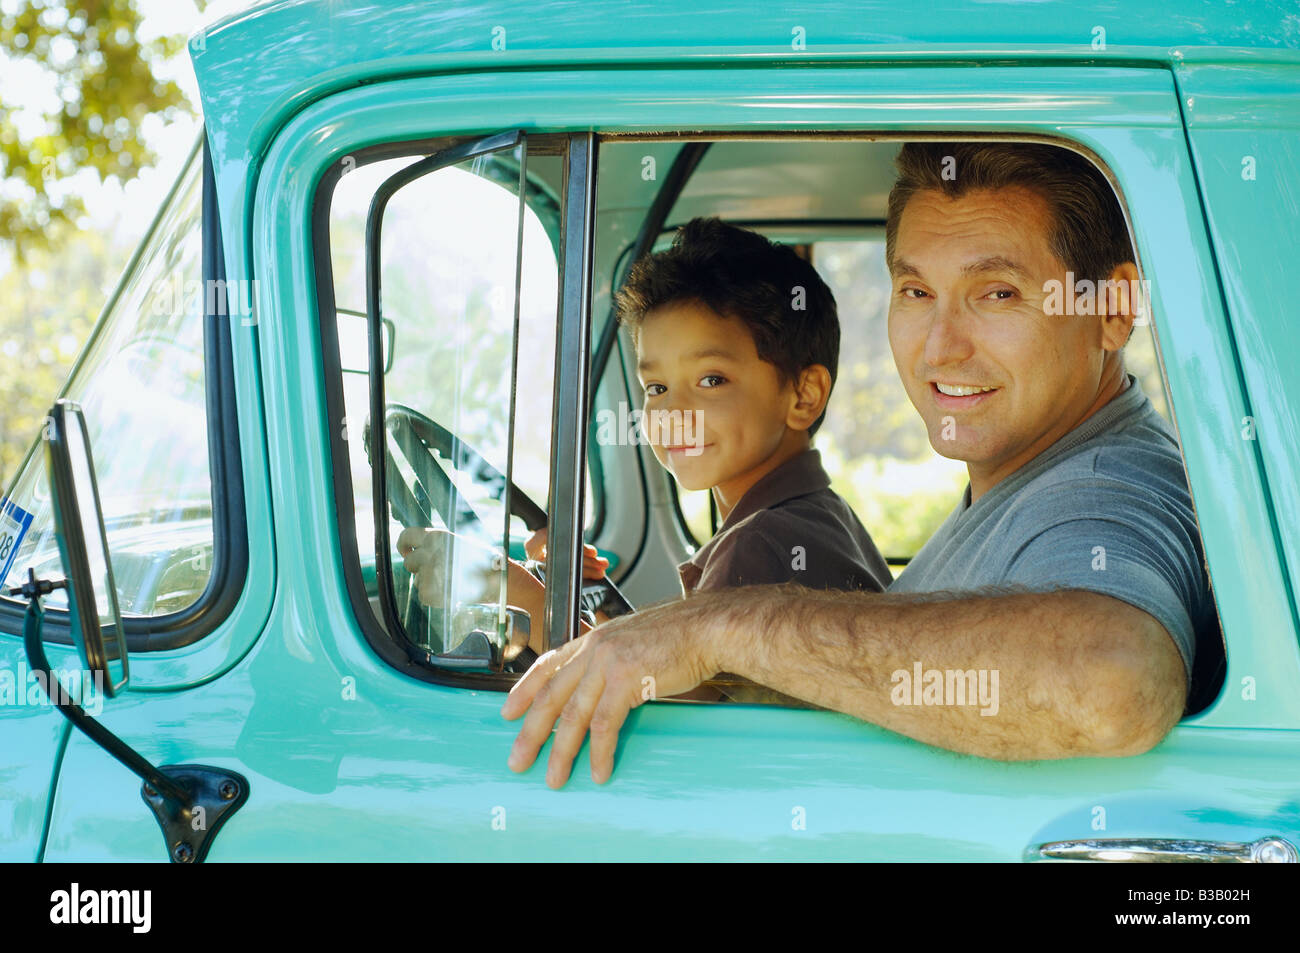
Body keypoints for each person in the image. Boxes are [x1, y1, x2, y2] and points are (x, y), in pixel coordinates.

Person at [501, 142, 1220, 789]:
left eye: (996, 293)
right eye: (916, 292)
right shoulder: (1026, 482)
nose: (941, 347)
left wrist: (718, 627)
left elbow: (1112, 680)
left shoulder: (1104, 491)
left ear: (1114, 308)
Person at [397, 217, 891, 669]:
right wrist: (594, 593)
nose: (673, 413)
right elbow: (676, 673)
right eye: (656, 388)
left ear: (803, 395)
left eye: (711, 379)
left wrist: (517, 592)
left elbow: (666, 712)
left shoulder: (759, 549)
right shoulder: (816, 518)